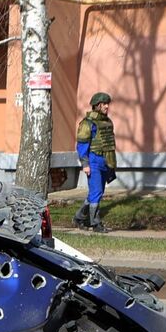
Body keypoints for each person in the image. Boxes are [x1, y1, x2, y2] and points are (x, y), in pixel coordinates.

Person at [75, 92, 117, 231]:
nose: (107, 107)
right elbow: (82, 145)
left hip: (105, 161)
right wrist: (85, 164)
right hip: (93, 160)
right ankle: (95, 223)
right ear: (98, 105)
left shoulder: (107, 122)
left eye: (107, 104)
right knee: (97, 192)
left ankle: (79, 218)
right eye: (104, 104)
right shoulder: (88, 123)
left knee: (95, 193)